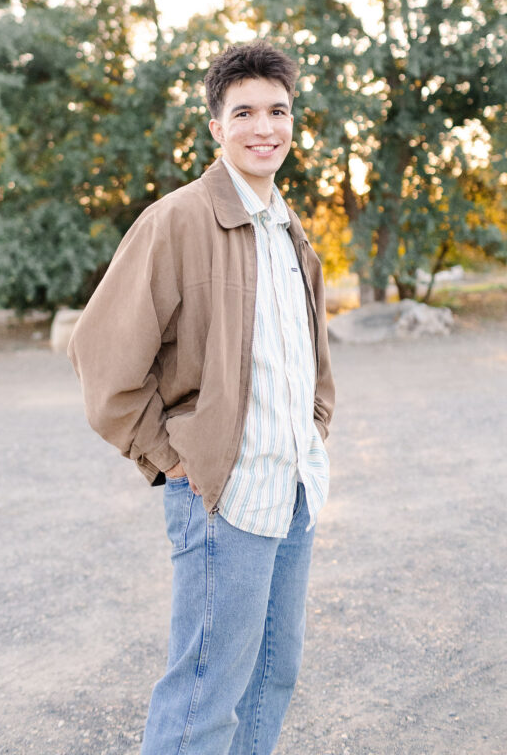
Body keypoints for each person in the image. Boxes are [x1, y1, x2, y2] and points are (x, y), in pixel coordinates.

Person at [68, 40, 335, 755]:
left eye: (277, 111)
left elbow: (305, 353)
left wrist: (314, 426)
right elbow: (100, 354)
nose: (263, 127)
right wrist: (167, 454)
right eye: (243, 112)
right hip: (222, 495)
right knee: (206, 691)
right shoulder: (177, 220)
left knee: (272, 676)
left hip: (292, 485)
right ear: (215, 126)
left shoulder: (286, 226)